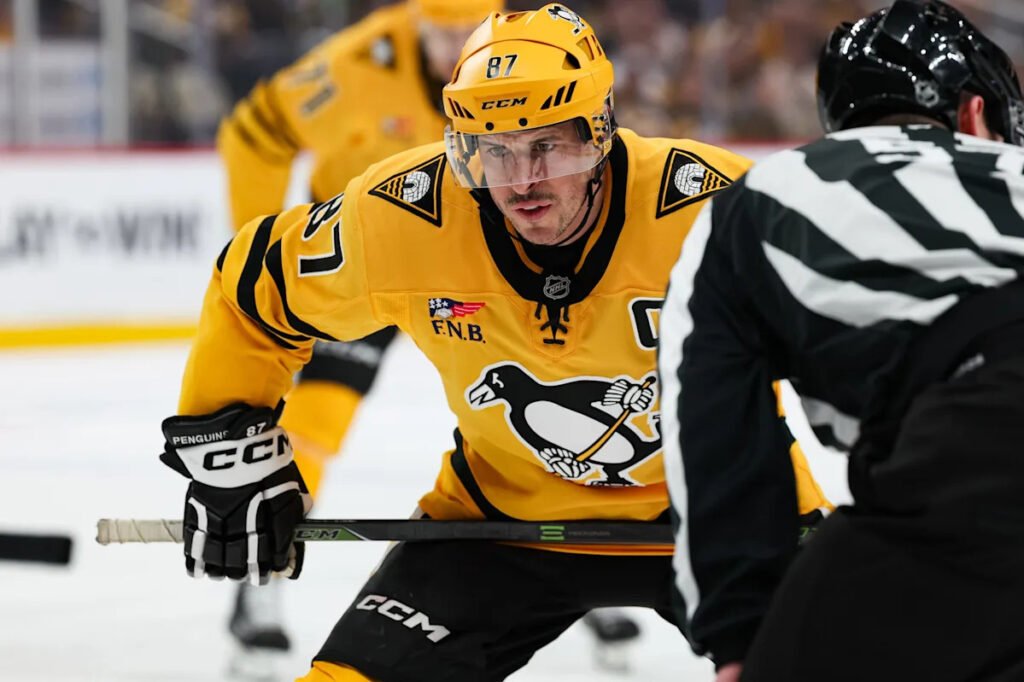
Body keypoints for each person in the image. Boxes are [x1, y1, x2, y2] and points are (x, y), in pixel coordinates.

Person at [160, 5, 830, 680]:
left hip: (730, 513)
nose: (521, 181)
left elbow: (855, 323)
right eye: (495, 149)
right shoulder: (407, 215)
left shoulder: (715, 207)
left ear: (599, 129)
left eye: (547, 146)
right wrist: (228, 452)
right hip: (498, 528)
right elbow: (252, 289)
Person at [658, 2, 1024, 681]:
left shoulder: (770, 195)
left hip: (973, 446)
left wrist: (738, 630)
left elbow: (710, 415)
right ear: (977, 115)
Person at [215, 0, 512, 663]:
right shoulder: (351, 67)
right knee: (316, 423)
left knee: (533, 407)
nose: (457, 49)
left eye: (469, 33)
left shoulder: (528, 59)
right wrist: (258, 264)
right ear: (414, 22)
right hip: (361, 264)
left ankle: (580, 574)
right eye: (442, 34)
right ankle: (262, 581)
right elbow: (254, 134)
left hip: (476, 265)